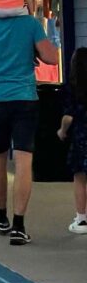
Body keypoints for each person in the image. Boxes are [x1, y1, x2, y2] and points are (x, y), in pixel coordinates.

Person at [0, 9, 59, 245]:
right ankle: (19, 225)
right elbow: (52, 57)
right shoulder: (30, 24)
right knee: (24, 160)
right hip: (25, 98)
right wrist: (30, 49)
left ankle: (0, 213)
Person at [57, 47, 87, 234]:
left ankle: (82, 219)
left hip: (81, 138)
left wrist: (62, 130)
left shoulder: (73, 88)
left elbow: (69, 116)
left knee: (80, 179)